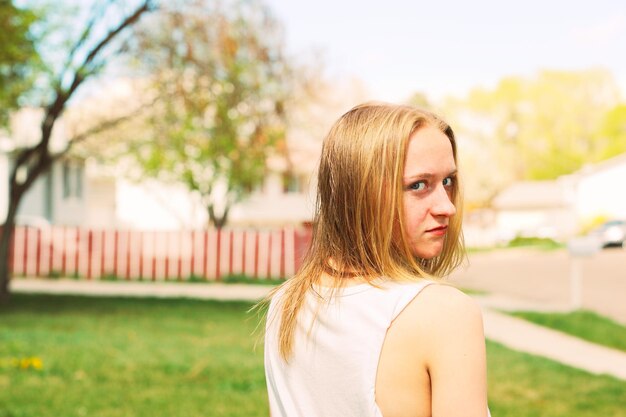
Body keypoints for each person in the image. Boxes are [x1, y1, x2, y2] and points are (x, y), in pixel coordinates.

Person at [263, 102, 490, 417]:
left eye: (447, 182)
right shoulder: (443, 313)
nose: (446, 207)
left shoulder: (286, 303)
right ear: (361, 194)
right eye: (418, 185)